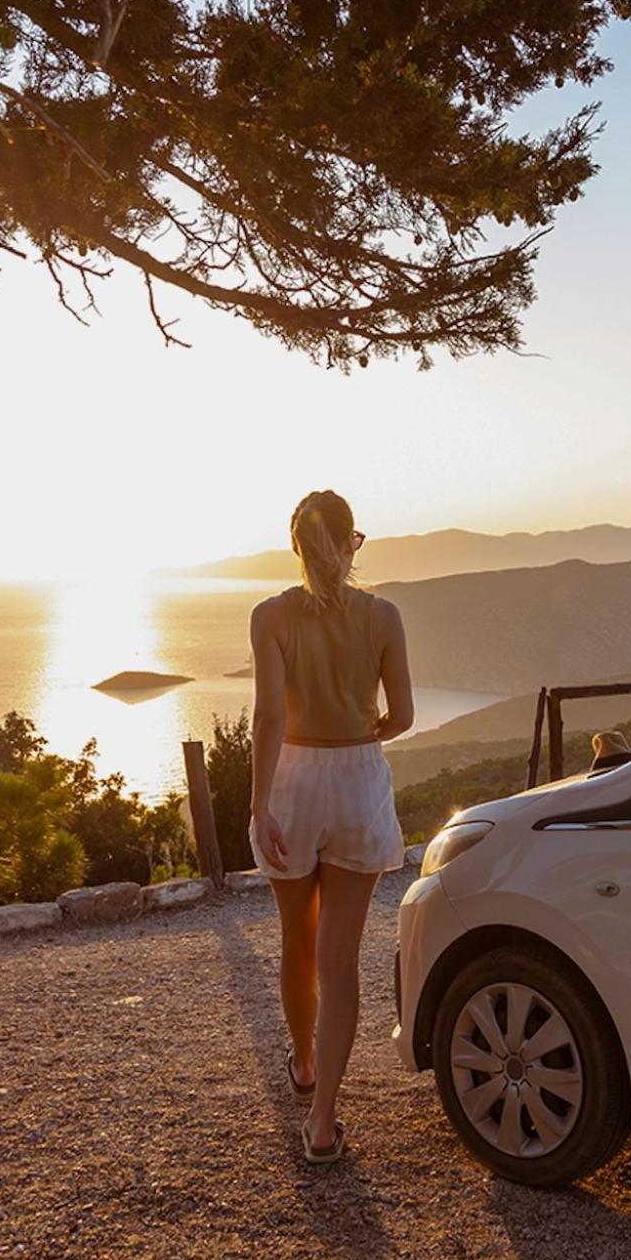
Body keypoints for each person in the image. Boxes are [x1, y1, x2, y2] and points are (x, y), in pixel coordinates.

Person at [248, 490, 413, 1163]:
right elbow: (401, 715)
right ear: (353, 544)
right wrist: (363, 732)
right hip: (356, 781)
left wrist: (260, 805)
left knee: (299, 945)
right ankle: (321, 1122)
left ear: (296, 548)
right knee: (341, 961)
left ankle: (304, 1066)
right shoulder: (384, 616)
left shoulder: (270, 616)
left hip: (294, 778)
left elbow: (267, 719)